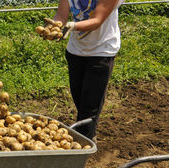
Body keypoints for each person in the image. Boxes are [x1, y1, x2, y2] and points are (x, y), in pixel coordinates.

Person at [53, 0, 124, 141]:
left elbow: (96, 21)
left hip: (101, 52)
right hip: (75, 52)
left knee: (90, 107)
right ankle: (85, 137)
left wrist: (72, 26)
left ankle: (84, 144)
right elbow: (61, 15)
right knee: (79, 99)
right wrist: (54, 26)